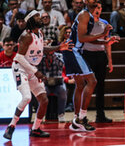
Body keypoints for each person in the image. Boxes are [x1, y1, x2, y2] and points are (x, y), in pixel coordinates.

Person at [2, 10, 72, 140]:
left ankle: (36, 128)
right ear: (31, 20)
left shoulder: (39, 33)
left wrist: (58, 48)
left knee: (44, 100)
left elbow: (42, 50)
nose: (40, 18)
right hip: (20, 68)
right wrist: (36, 71)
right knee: (27, 97)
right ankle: (11, 127)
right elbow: (19, 57)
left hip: (31, 68)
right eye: (37, 17)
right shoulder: (26, 36)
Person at [62, 0, 113, 132]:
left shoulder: (89, 16)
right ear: (85, 2)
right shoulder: (84, 15)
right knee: (92, 81)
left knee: (80, 85)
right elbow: (83, 38)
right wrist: (102, 34)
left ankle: (76, 120)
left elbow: (88, 39)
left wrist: (105, 40)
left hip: (73, 50)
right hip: (73, 50)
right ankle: (82, 118)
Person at [82, 1, 119, 122]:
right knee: (86, 86)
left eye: (99, 7)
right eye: (95, 8)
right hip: (88, 55)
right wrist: (103, 37)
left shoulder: (105, 23)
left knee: (101, 86)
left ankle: (100, 114)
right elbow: (88, 40)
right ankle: (82, 115)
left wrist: (110, 60)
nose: (97, 10)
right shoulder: (87, 23)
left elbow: (107, 43)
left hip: (100, 55)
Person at [37, 50, 67, 123]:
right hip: (45, 83)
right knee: (42, 94)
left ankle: (61, 114)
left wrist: (52, 57)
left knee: (63, 91)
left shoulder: (59, 56)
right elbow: (37, 68)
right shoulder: (40, 57)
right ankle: (40, 115)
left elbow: (61, 65)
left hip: (58, 83)